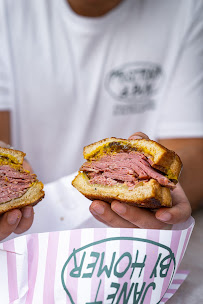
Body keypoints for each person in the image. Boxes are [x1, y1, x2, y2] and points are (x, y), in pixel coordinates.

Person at [0, 0, 202, 241]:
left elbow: (192, 149)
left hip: (133, 246)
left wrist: (162, 189)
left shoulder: (186, 8)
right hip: (20, 242)